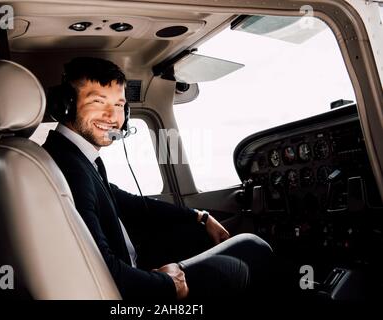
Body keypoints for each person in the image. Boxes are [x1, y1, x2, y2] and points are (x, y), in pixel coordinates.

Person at [42, 57, 273, 300]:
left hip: (133, 266)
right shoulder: (71, 168)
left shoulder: (75, 157)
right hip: (130, 293)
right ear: (66, 105)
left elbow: (128, 203)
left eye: (119, 105)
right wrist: (167, 284)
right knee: (252, 246)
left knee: (198, 233)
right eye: (98, 101)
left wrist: (199, 217)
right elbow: (101, 268)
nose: (112, 116)